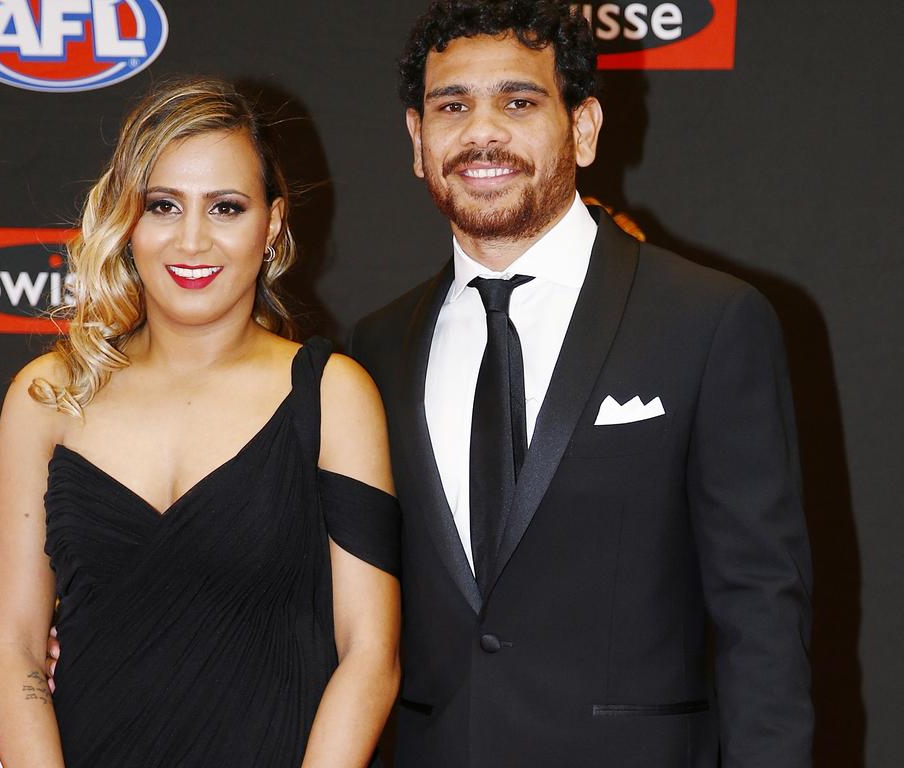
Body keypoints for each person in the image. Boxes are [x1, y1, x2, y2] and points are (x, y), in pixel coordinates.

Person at [346, 1, 814, 766]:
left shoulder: (709, 321)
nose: (482, 132)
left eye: (519, 102)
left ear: (585, 128)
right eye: (452, 106)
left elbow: (761, 608)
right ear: (417, 141)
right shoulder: (373, 349)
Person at [0, 77, 400, 768]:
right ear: (127, 221)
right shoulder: (47, 397)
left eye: (227, 207)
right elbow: (15, 652)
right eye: (164, 206)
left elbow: (370, 655)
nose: (193, 240)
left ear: (271, 224)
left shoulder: (331, 395)